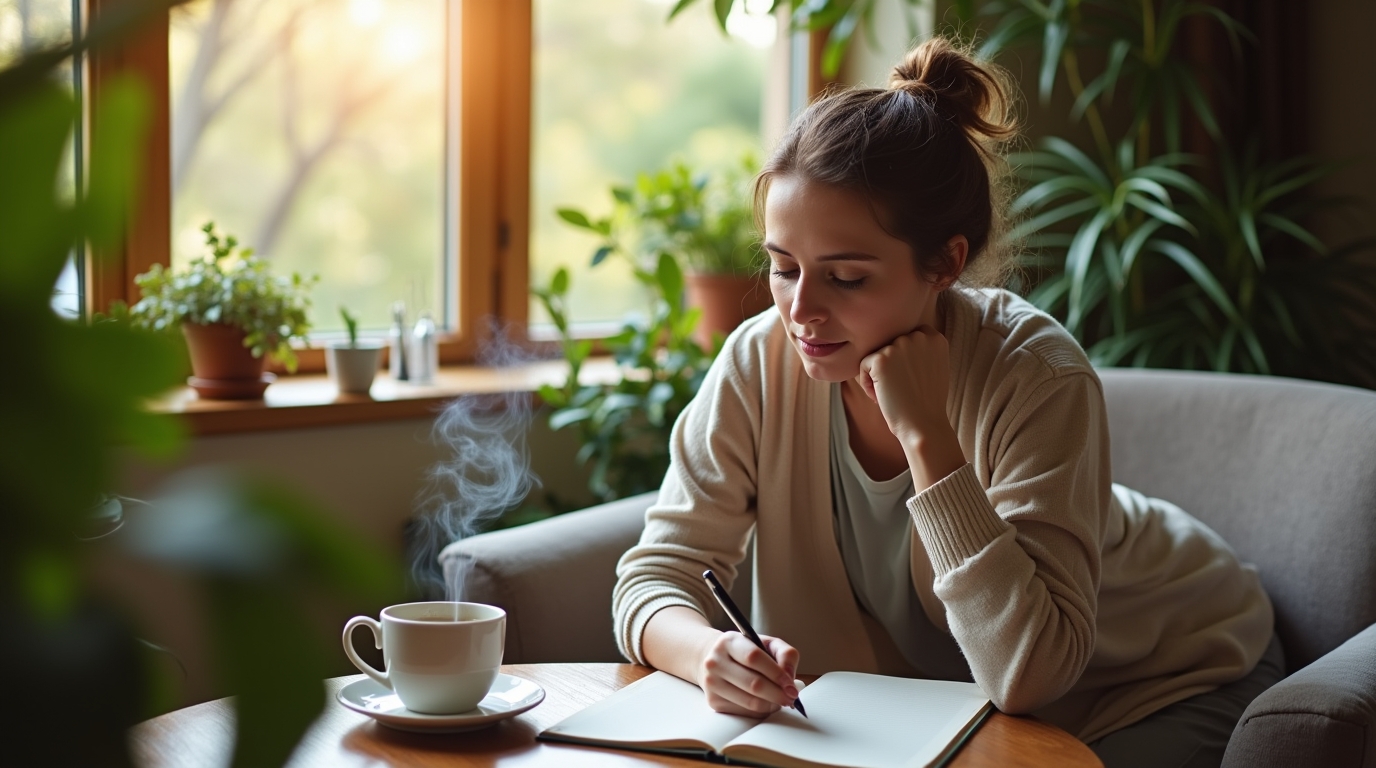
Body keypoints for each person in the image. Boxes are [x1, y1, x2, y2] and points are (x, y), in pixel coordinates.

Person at [611, 36, 1283, 768]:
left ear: (944, 263)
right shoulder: (758, 361)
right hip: (943, 720)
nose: (800, 310)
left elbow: (1032, 674)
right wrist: (711, 652)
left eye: (846, 278)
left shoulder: (1036, 376)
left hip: (1161, 677)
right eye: (782, 267)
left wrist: (929, 437)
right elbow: (653, 577)